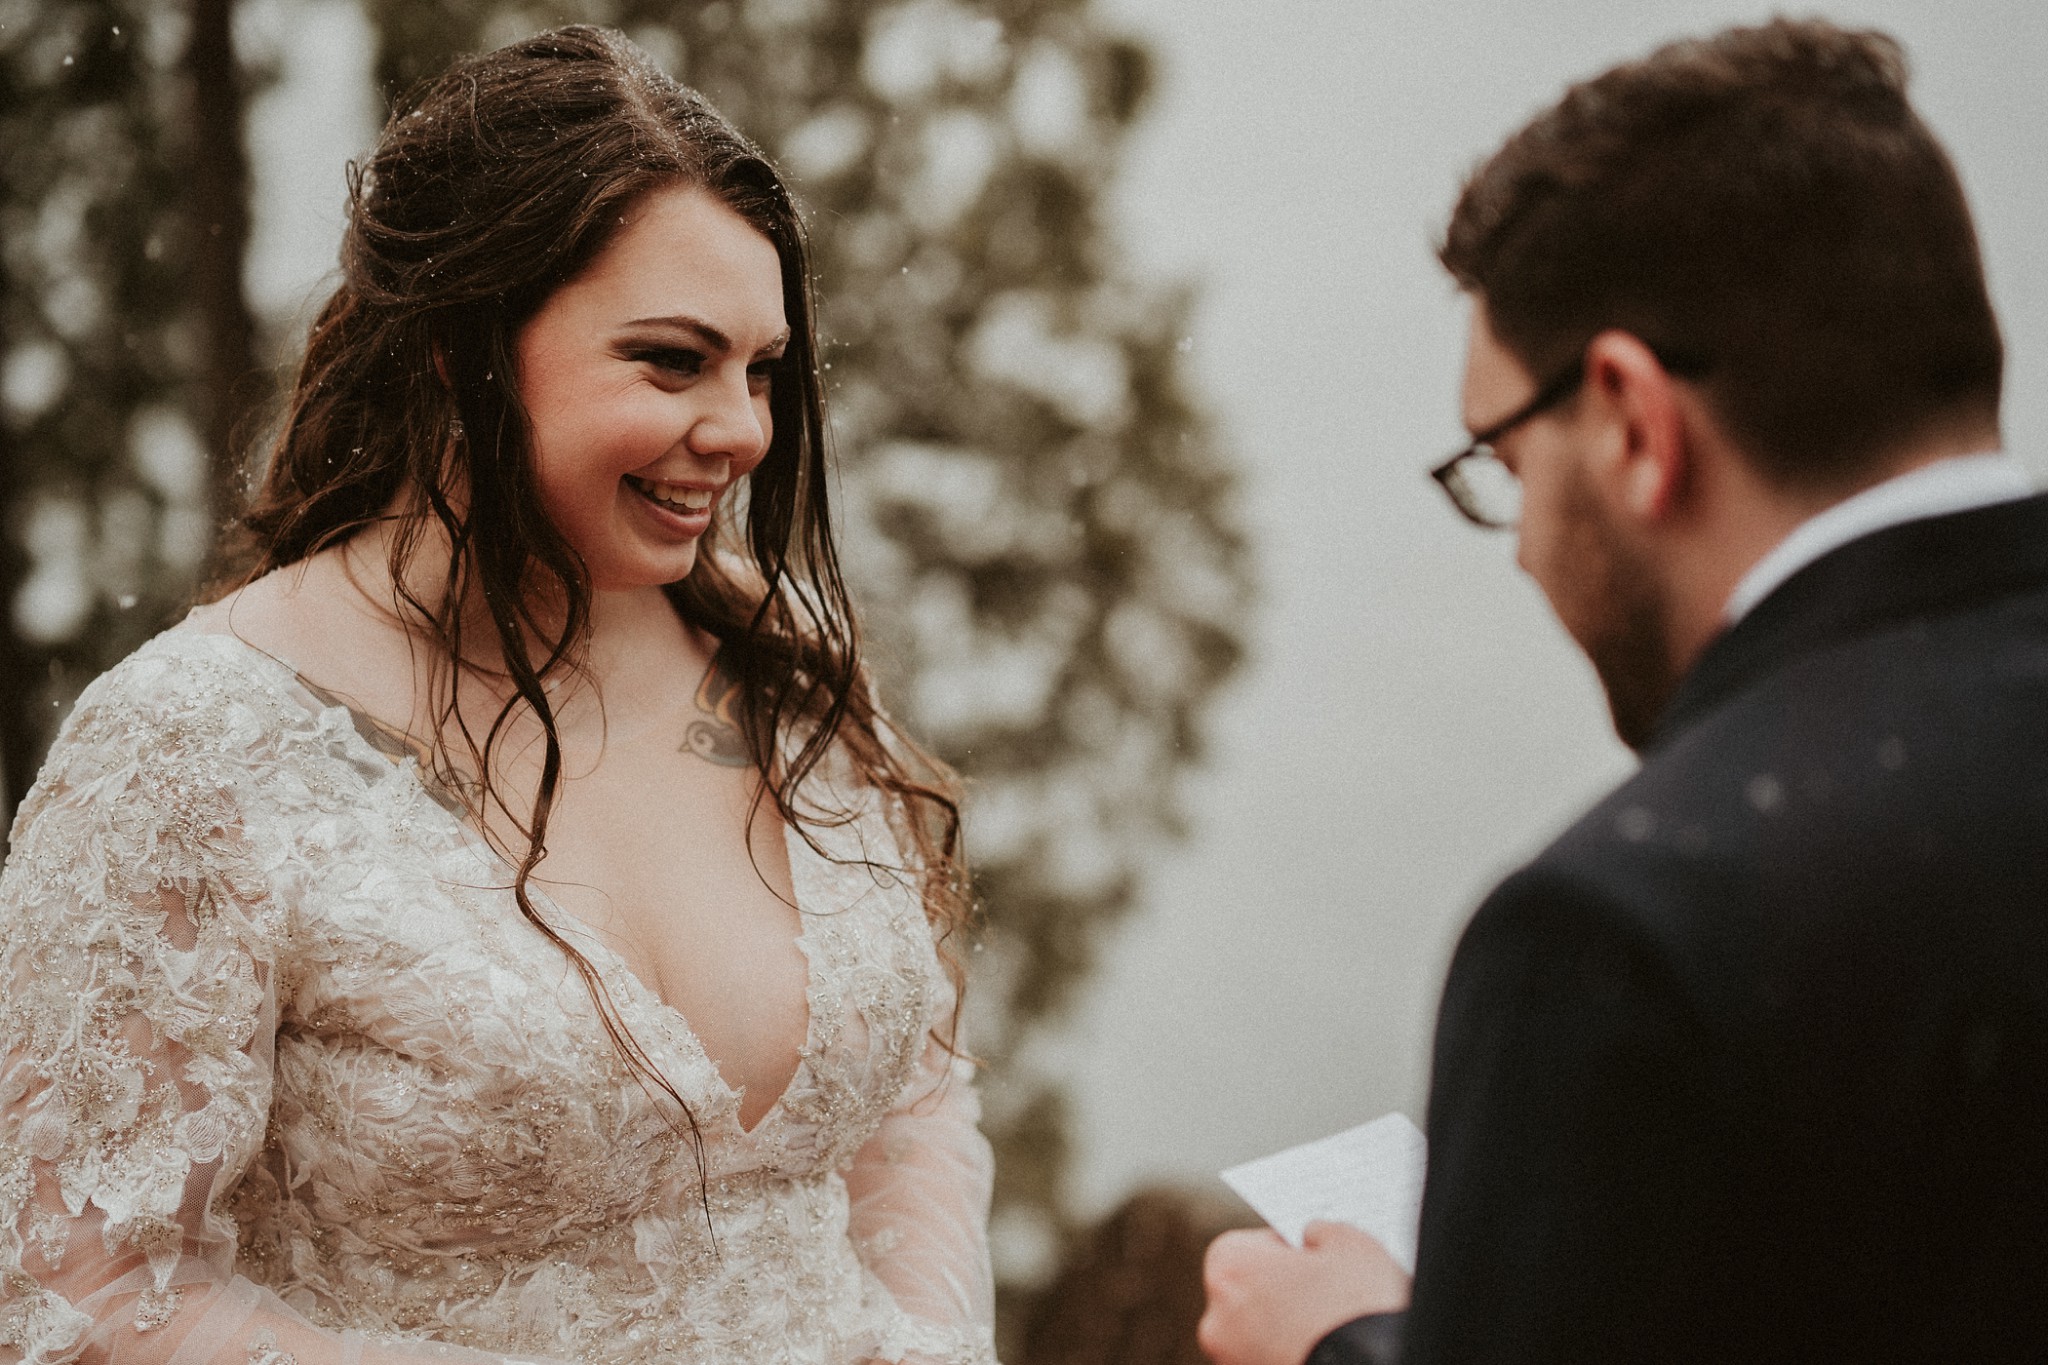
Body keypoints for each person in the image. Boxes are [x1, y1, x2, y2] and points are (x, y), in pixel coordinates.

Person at [0, 26, 995, 1365]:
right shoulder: (188, 752)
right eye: (671, 360)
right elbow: (82, 1294)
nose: (747, 429)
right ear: (456, 351)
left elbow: (912, 1101)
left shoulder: (784, 657)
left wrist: (932, 1343)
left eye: (761, 368)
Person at [1201, 18, 2048, 1365]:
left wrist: (1341, 1341)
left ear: (1634, 422)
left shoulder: (1623, 934)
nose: (1528, 542)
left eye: (1505, 466)